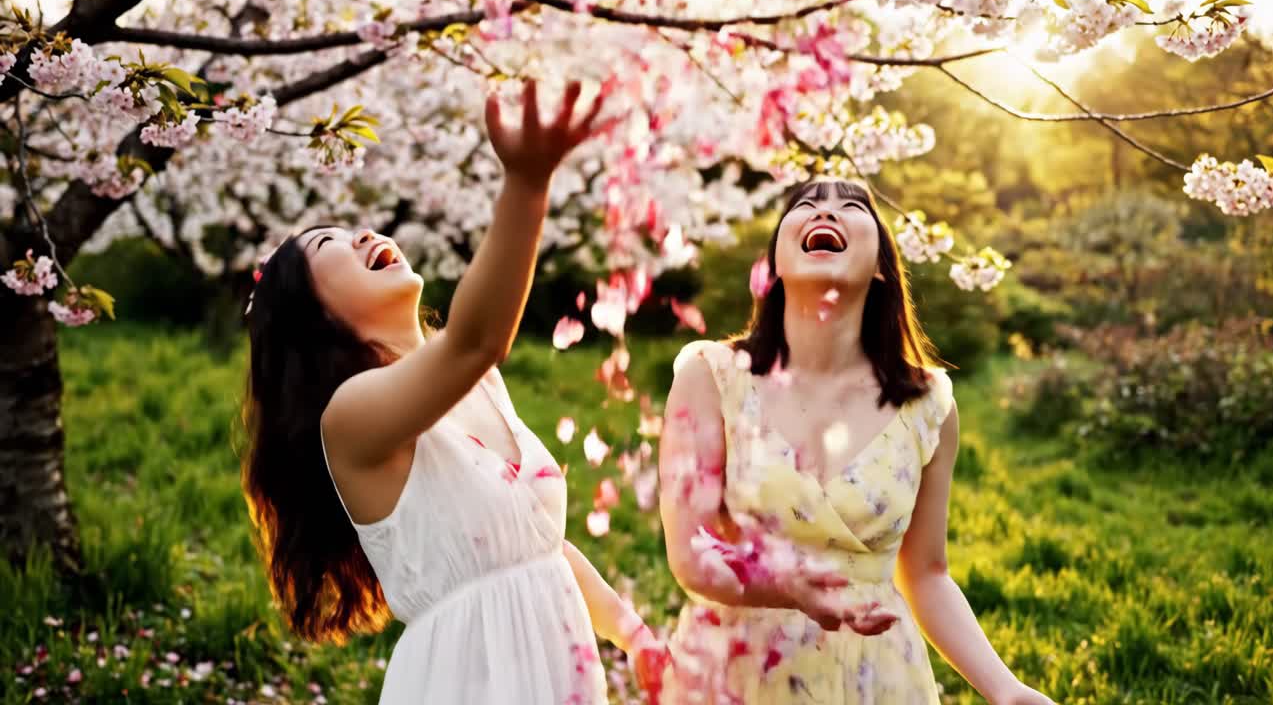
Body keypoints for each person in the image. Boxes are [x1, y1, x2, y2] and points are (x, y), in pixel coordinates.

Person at [240, 81, 662, 704]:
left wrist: (635, 637)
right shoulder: (351, 417)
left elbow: (539, 550)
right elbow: (473, 341)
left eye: (358, 226)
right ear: (311, 317)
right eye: (330, 242)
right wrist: (526, 184)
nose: (362, 235)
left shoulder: (481, 386)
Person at [656, 178, 1055, 704]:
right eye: (805, 205)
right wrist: (786, 587)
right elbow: (690, 551)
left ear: (882, 266)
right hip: (739, 673)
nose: (827, 212)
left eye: (851, 207)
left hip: (878, 676)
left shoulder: (927, 405)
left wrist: (1007, 690)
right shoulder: (712, 375)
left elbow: (928, 576)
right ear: (774, 262)